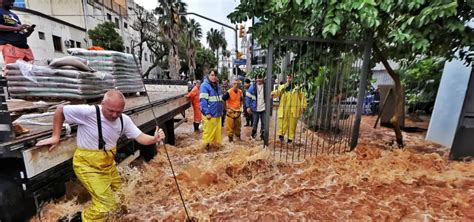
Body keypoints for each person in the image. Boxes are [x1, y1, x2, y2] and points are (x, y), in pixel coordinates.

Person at [36, 90, 165, 222]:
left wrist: (154, 138)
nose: (115, 115)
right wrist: (55, 136)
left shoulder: (124, 120)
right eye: (111, 111)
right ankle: (75, 220)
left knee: (121, 197)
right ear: (102, 104)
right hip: (87, 165)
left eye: (119, 111)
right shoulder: (89, 112)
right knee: (107, 204)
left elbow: (141, 137)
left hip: (108, 165)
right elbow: (60, 110)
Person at [272, 74, 307, 144]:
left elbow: (303, 97)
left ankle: (290, 140)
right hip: (284, 109)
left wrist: (303, 106)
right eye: (288, 77)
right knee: (282, 124)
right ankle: (281, 137)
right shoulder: (283, 87)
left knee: (292, 125)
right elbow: (277, 92)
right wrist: (272, 94)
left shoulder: (298, 88)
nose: (289, 79)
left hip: (294, 109)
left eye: (291, 77)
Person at [0, 0, 35, 66]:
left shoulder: (14, 15)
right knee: (13, 72)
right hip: (11, 46)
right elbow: (16, 29)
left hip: (25, 47)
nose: (12, 3)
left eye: (13, 1)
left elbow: (20, 32)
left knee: (29, 72)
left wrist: (29, 32)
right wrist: (16, 28)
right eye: (11, 0)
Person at [200, 69, 224, 147]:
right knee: (208, 136)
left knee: (217, 137)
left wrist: (221, 110)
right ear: (208, 75)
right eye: (212, 75)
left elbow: (220, 99)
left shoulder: (217, 86)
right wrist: (207, 113)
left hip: (217, 115)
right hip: (210, 115)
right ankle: (205, 153)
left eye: (215, 75)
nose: (214, 77)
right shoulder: (204, 86)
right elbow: (203, 101)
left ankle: (215, 155)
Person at [245, 74, 267, 140]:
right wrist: (248, 107)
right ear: (256, 79)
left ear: (263, 79)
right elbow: (248, 97)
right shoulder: (252, 87)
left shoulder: (266, 87)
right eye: (258, 78)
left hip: (264, 108)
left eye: (261, 78)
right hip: (255, 109)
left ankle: (262, 136)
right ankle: (253, 135)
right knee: (255, 123)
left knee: (264, 123)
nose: (259, 80)